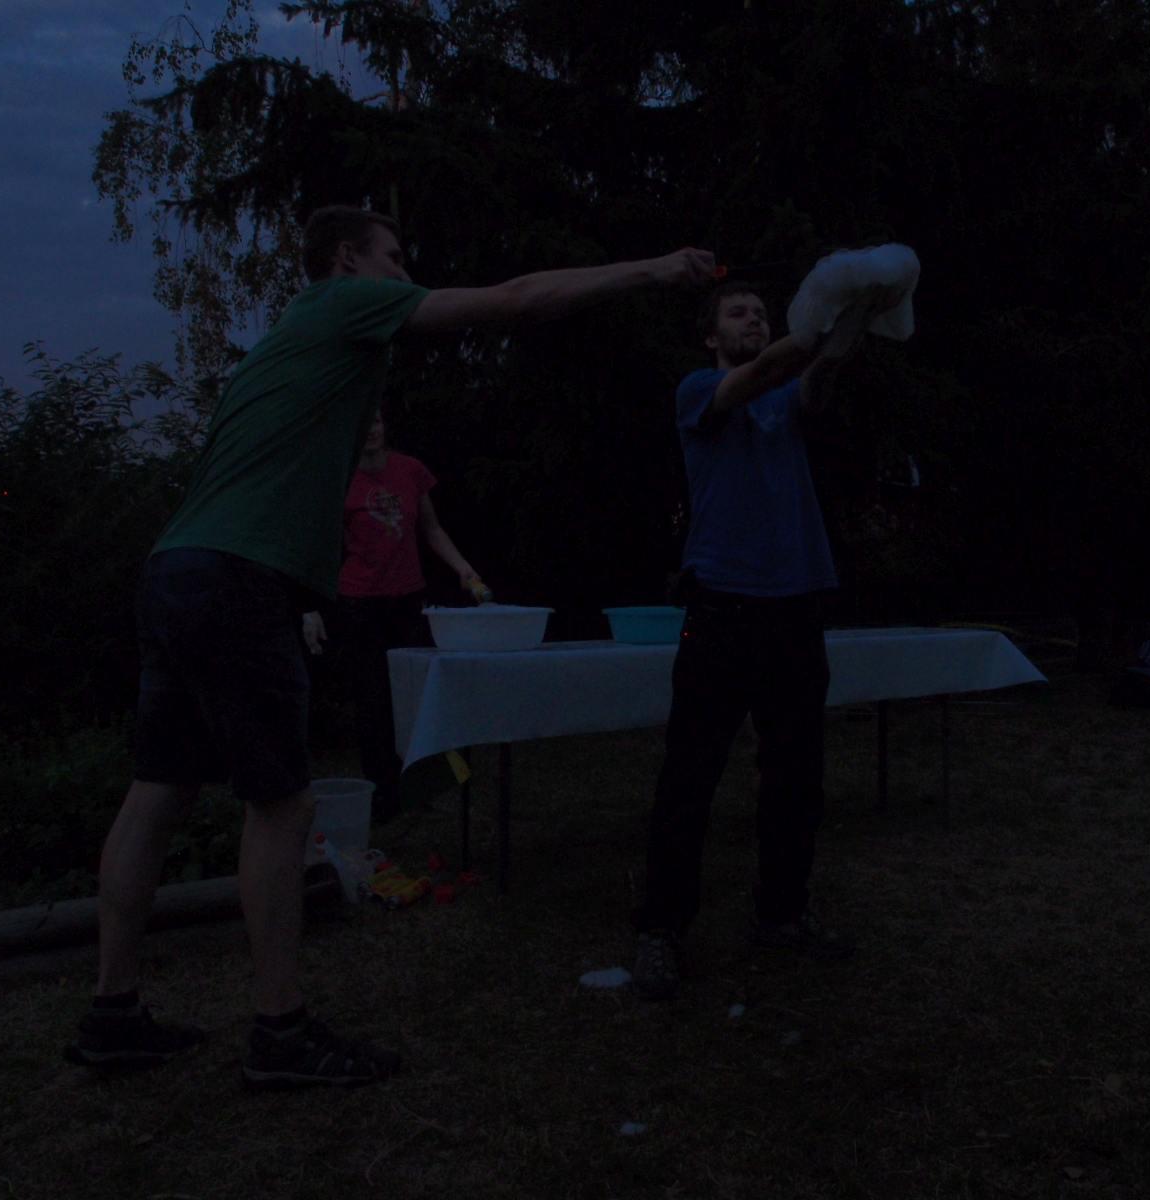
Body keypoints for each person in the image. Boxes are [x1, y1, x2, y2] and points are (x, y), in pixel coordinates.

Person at [66, 204, 715, 1086]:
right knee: (282, 806)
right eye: (396, 258)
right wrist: (652, 269)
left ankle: (111, 1014)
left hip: (176, 568)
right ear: (346, 259)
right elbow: (517, 299)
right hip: (237, 576)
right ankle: (281, 1032)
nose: (407, 276)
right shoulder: (342, 303)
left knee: (159, 790)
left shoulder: (289, 340)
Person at [629, 280, 898, 1000]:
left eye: (762, 312)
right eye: (739, 312)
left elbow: (817, 375)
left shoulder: (787, 399)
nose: (754, 319)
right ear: (710, 336)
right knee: (691, 776)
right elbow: (771, 368)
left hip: (797, 607)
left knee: (796, 777)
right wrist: (814, 324)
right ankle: (661, 930)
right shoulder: (699, 391)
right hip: (722, 608)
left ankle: (780, 913)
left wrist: (855, 315)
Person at [301, 409, 480, 822]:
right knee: (373, 699)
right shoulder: (341, 478)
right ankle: (383, 796)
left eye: (377, 422)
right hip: (360, 602)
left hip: (408, 598)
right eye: (363, 423)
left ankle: (424, 786)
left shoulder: (410, 470)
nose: (371, 430)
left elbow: (432, 529)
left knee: (416, 694)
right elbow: (322, 543)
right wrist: (309, 604)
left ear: (385, 427)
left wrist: (463, 568)